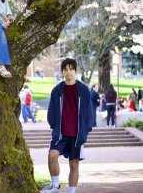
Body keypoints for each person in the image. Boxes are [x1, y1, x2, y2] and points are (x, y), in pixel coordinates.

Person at [40, 58, 93, 193]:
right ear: (62, 72)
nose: (68, 72)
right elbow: (51, 112)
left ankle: (71, 191)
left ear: (75, 71)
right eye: (65, 69)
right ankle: (55, 185)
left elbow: (89, 113)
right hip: (61, 134)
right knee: (52, 155)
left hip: (77, 135)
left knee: (74, 165)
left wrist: (85, 131)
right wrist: (55, 126)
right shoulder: (57, 90)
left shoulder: (84, 90)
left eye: (71, 69)